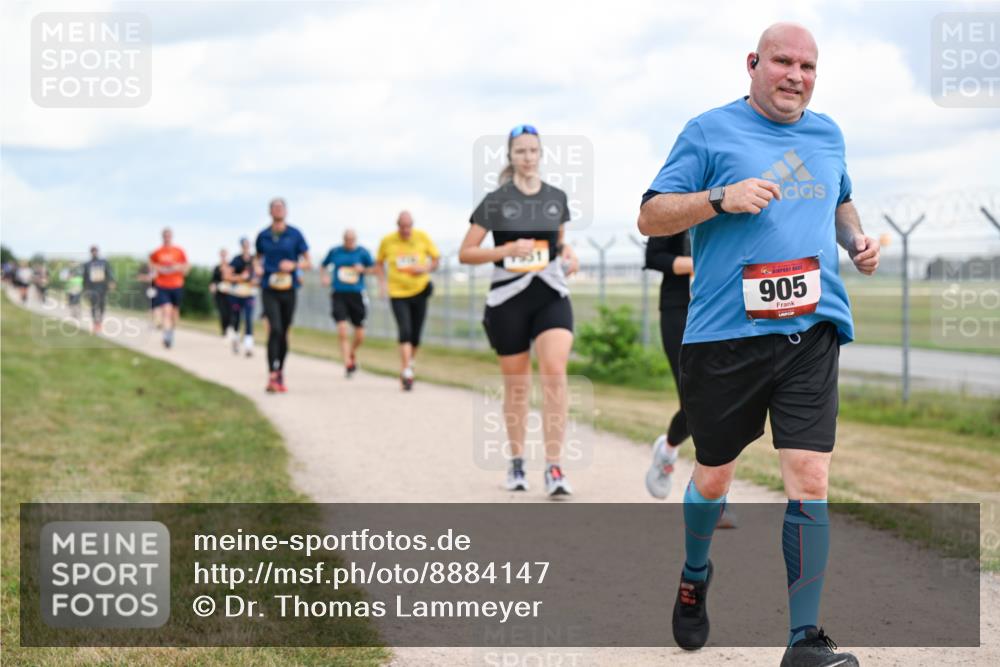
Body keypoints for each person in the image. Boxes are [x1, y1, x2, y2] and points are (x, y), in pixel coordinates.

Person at [637, 23, 879, 667]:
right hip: (725, 336)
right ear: (753, 64)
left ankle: (803, 640)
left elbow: (842, 200)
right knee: (714, 476)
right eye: (782, 61)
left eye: (807, 65)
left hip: (812, 327)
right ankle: (695, 574)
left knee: (811, 476)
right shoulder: (709, 131)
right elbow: (651, 215)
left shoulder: (828, 134)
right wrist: (721, 197)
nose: (794, 75)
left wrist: (856, 242)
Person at [460, 124, 579, 498]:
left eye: (533, 151)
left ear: (541, 154)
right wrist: (506, 250)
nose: (528, 157)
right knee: (517, 387)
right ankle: (515, 463)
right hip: (507, 300)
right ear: (510, 157)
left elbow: (558, 245)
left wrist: (570, 254)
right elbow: (467, 252)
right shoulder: (495, 201)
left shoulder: (556, 197)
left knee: (555, 373)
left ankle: (555, 468)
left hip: (549, 292)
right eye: (520, 151)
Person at [643, 233, 739, 528]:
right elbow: (654, 258)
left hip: (721, 308)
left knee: (722, 402)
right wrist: (698, 262)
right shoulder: (674, 199)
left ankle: (711, 494)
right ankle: (671, 455)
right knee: (694, 401)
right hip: (679, 310)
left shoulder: (732, 204)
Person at [375, 211, 440, 390]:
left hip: (420, 290)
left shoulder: (422, 237)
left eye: (409, 226)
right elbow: (379, 263)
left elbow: (436, 260)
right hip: (397, 293)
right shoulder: (387, 241)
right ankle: (406, 371)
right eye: (402, 227)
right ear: (398, 226)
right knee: (405, 330)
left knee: (416, 335)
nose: (406, 230)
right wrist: (382, 284)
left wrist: (425, 267)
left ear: (412, 225)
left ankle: (409, 364)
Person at [256, 198, 310, 393]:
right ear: (270, 211)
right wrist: (257, 268)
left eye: (281, 207)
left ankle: (280, 371)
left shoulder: (295, 235)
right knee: (275, 329)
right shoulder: (263, 235)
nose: (278, 210)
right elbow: (258, 258)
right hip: (269, 288)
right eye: (275, 207)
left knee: (284, 330)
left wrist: (294, 265)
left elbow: (307, 262)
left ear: (286, 211)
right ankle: (271, 373)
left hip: (289, 288)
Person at [321, 229, 374, 377]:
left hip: (357, 295)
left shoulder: (363, 252)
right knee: (342, 329)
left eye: (352, 240)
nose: (349, 242)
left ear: (355, 240)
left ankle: (351, 353)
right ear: (343, 239)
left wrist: (363, 269)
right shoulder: (335, 252)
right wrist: (324, 277)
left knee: (360, 335)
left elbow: (374, 268)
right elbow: (323, 265)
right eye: (347, 239)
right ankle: (348, 363)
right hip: (339, 294)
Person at [149, 228, 189, 348]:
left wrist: (178, 268)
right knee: (167, 310)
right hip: (162, 285)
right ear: (162, 237)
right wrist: (157, 270)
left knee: (174, 314)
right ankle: (166, 336)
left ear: (171, 236)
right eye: (165, 236)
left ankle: (171, 333)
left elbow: (186, 267)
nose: (167, 238)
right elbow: (151, 265)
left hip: (177, 285)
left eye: (169, 235)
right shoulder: (157, 252)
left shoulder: (179, 251)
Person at [224, 237, 258, 357]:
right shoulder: (236, 260)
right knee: (237, 319)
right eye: (244, 245)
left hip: (249, 294)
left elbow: (259, 276)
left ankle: (249, 346)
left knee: (249, 319)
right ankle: (236, 341)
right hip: (237, 294)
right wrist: (240, 278)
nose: (246, 247)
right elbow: (227, 276)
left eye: (248, 245)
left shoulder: (255, 260)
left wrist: (255, 280)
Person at [81, 246, 116, 333]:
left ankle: (99, 322)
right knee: (93, 306)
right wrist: (85, 289)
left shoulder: (103, 262)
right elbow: (84, 278)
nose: (94, 253)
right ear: (90, 252)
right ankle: (95, 323)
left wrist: (112, 282)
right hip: (92, 288)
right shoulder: (87, 264)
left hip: (102, 287)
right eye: (92, 251)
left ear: (98, 252)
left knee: (101, 306)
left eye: (95, 251)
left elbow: (110, 272)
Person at [209, 248, 233, 337]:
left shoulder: (231, 266)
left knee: (230, 312)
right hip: (219, 293)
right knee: (223, 312)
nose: (223, 256)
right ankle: (224, 330)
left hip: (229, 293)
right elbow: (213, 280)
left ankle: (230, 328)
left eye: (225, 254)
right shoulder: (216, 267)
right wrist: (212, 286)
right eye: (222, 254)